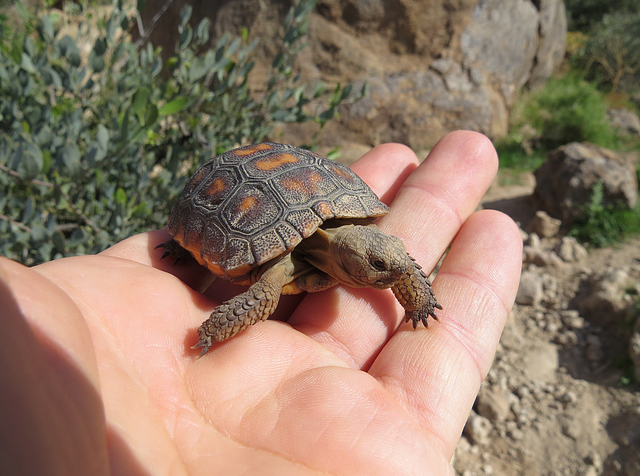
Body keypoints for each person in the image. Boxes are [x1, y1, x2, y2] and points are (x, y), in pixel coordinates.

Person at [0, 131, 522, 475]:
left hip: (310, 199)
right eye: (381, 268)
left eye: (388, 265)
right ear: (350, 260)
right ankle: (200, 288)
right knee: (264, 291)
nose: (398, 270)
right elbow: (263, 292)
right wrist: (211, 328)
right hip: (241, 194)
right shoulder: (281, 270)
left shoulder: (372, 248)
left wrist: (417, 298)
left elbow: (400, 266)